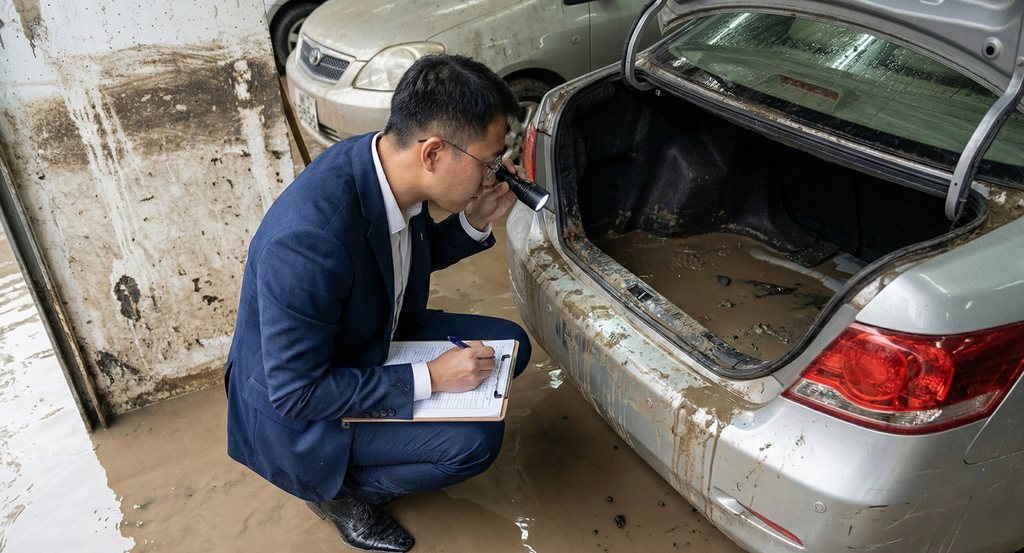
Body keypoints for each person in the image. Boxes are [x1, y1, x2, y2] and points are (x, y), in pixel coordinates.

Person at [224, 53, 533, 553]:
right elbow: (297, 393)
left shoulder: (384, 166)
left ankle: (383, 447)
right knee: (473, 445)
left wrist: (475, 219)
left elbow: (401, 260)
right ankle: (338, 493)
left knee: (510, 346)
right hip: (304, 409)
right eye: (486, 161)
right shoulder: (310, 242)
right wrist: (432, 378)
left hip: (366, 338)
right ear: (433, 153)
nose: (493, 173)